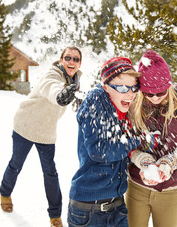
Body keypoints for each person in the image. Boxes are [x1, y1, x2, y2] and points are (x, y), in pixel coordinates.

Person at [0, 46, 82, 227]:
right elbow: (51, 87)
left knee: (50, 173)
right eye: (68, 57)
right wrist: (59, 95)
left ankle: (55, 215)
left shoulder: (75, 82)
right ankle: (5, 192)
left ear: (79, 64)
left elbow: (73, 97)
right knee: (16, 164)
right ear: (61, 60)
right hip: (25, 126)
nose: (71, 62)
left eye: (76, 59)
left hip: (46, 131)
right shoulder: (52, 75)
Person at [126, 49, 177, 227]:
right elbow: (128, 143)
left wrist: (171, 161)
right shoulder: (134, 103)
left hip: (170, 188)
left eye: (160, 92)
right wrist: (143, 160)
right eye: (148, 93)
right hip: (137, 186)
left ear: (168, 85)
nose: (154, 98)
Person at [67, 57, 141, 227]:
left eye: (133, 88)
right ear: (105, 86)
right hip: (89, 211)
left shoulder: (122, 110)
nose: (129, 93)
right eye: (122, 88)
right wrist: (137, 141)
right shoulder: (96, 99)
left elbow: (122, 150)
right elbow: (100, 150)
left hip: (117, 207)